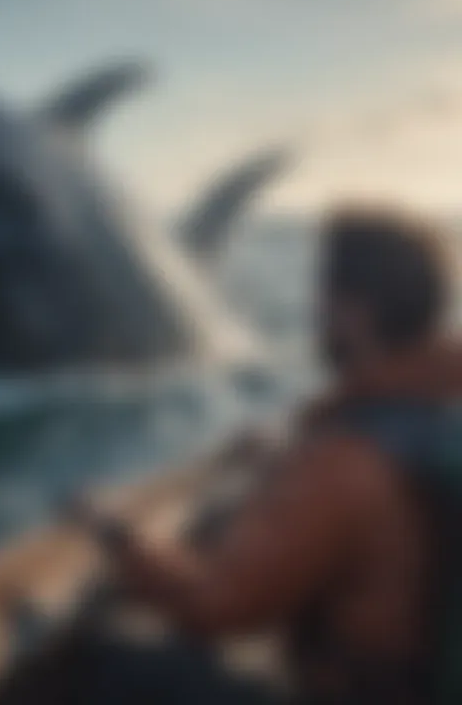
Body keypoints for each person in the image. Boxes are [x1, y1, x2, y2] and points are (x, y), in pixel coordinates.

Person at [62, 205, 461, 705]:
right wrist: (283, 461)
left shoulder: (346, 460)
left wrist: (116, 535)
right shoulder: (441, 412)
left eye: (323, 294)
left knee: (103, 663)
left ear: (354, 310)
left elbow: (215, 607)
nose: (315, 311)